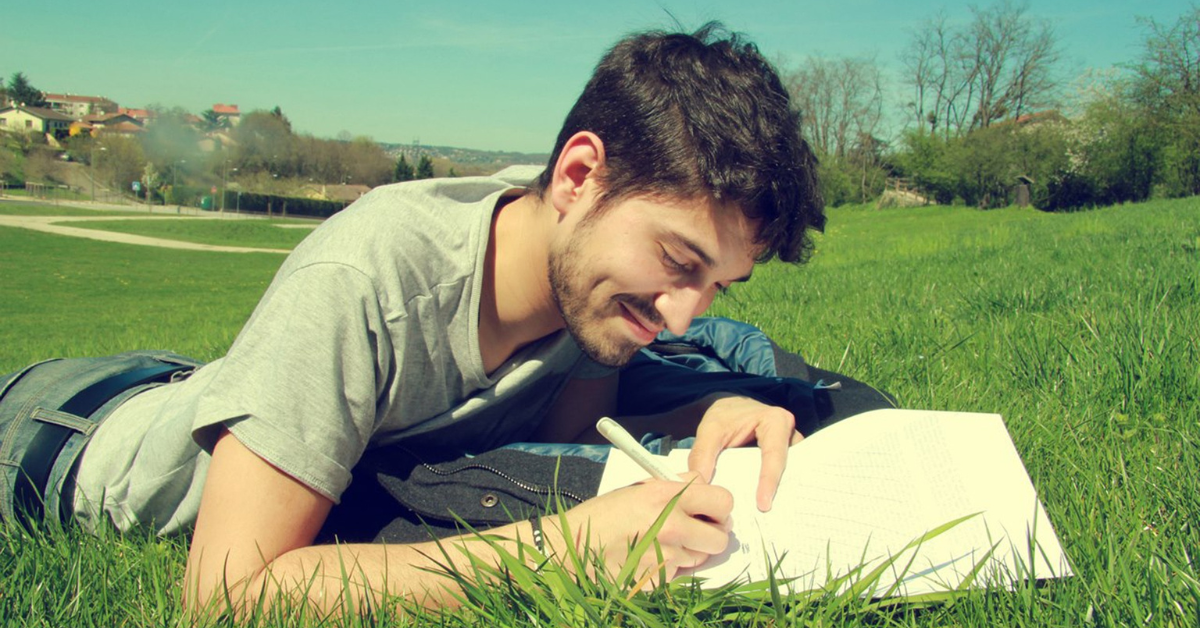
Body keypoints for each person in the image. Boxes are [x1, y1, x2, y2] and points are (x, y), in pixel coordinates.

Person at [0, 24, 825, 613]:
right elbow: (225, 596)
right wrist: (566, 546)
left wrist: (703, 411)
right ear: (579, 176)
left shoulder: (590, 273)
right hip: (60, 433)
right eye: (680, 263)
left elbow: (575, 437)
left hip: (189, 384)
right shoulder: (372, 269)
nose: (683, 316)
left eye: (720, 284)